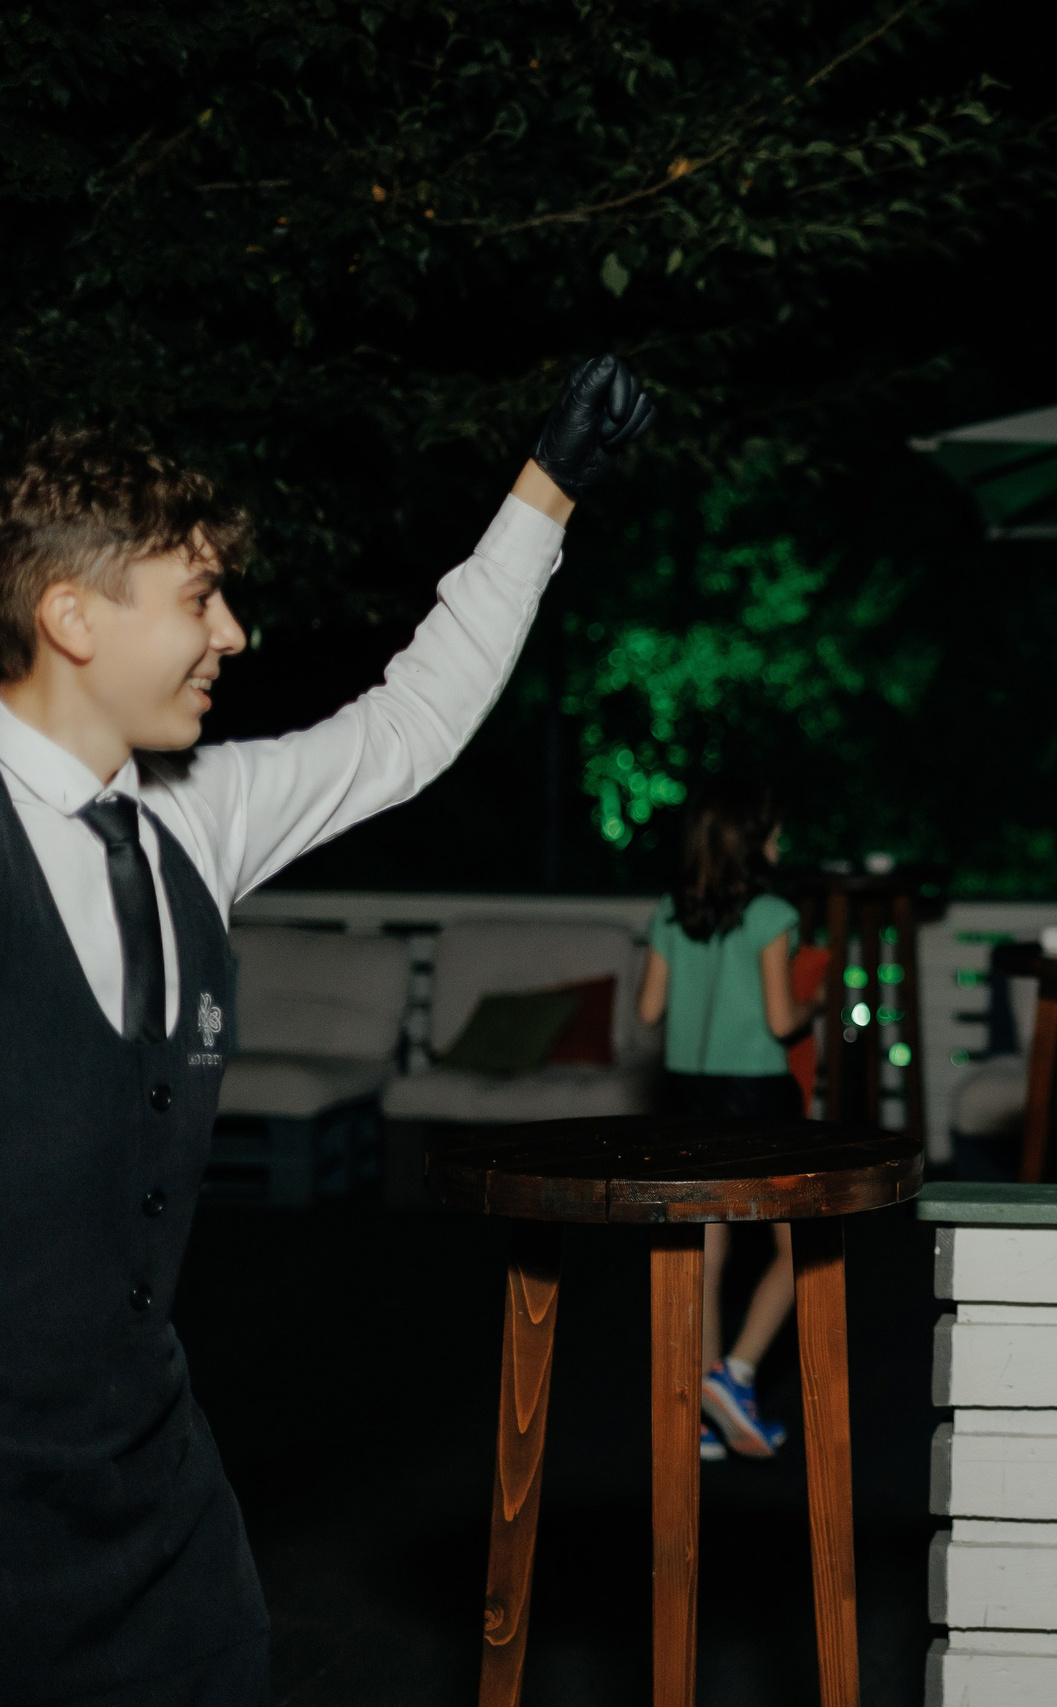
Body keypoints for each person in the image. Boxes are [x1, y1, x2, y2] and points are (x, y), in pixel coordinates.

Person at [0, 357, 655, 1705]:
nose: (234, 632)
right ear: (71, 615)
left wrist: (549, 490)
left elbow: (410, 724)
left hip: (153, 1495)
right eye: (197, 598)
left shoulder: (199, 811)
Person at [634, 778, 821, 1460]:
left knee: (705, 1257)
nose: (780, 841)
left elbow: (648, 1012)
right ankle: (737, 1372)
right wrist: (815, 1005)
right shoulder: (772, 912)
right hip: (755, 1097)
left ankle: (705, 1421)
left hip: (686, 1095)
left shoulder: (670, 910)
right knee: (801, 1248)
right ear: (750, 840)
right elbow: (780, 1018)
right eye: (772, 830)